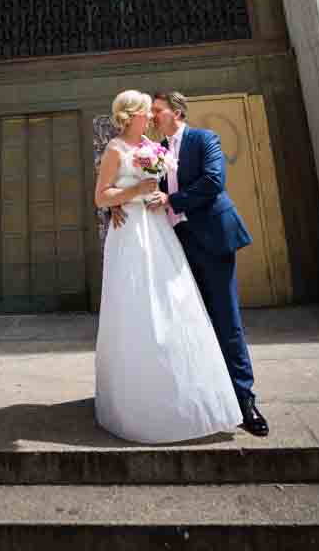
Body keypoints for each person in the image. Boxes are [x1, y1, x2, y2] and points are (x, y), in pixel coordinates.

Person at [94, 89, 243, 444]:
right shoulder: (116, 149)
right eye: (148, 112)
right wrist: (127, 197)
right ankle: (141, 400)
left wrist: (147, 192)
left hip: (163, 231)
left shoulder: (156, 147)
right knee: (137, 308)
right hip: (132, 234)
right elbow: (101, 195)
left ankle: (200, 396)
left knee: (177, 306)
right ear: (132, 116)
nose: (152, 117)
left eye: (156, 112)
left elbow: (184, 184)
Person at [143, 91, 269, 437]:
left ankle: (245, 403)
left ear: (177, 112)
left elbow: (214, 181)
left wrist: (173, 199)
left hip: (213, 239)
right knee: (191, 323)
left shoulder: (203, 139)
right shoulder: (157, 152)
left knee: (226, 321)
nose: (152, 116)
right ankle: (204, 400)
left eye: (157, 110)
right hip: (177, 245)